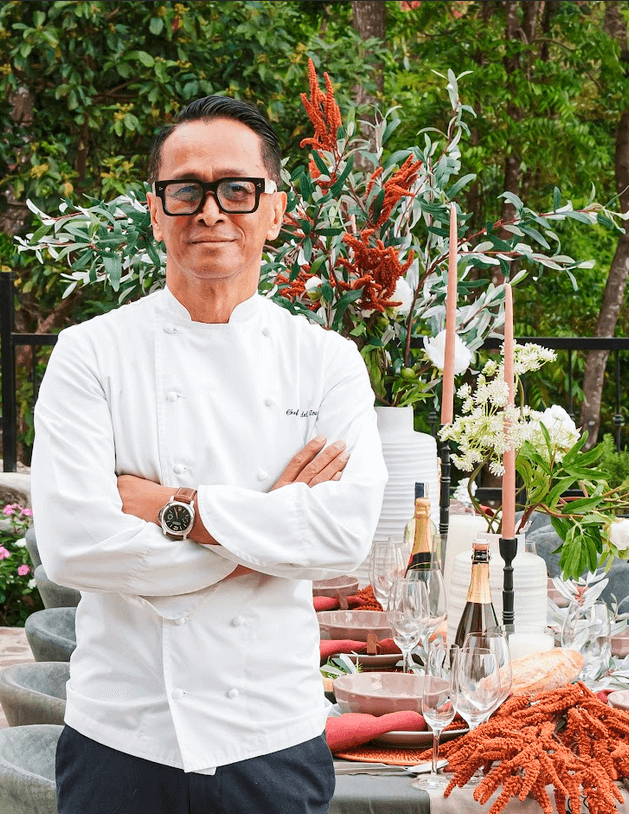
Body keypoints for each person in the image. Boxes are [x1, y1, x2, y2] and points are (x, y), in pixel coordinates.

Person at [31, 95, 388, 814]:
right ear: (158, 210)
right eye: (186, 190)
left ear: (275, 210)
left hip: (272, 741)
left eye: (237, 188)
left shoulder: (325, 361)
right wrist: (266, 529)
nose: (211, 211)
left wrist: (171, 509)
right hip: (121, 743)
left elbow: (346, 539)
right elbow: (73, 550)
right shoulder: (91, 353)